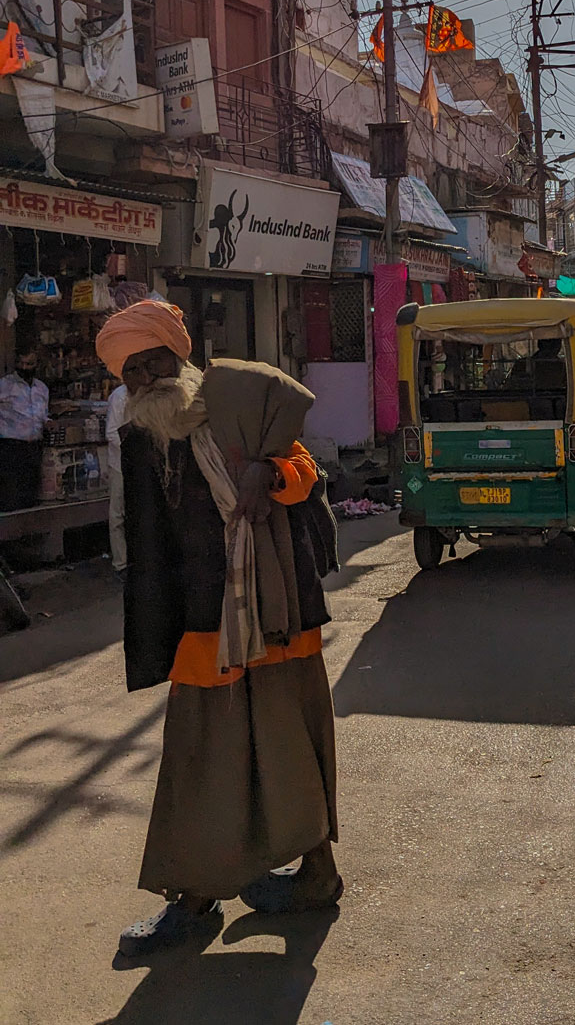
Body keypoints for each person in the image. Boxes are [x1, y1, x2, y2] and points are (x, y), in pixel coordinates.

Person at [94, 301, 341, 958]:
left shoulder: (239, 401)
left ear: (181, 354)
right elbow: (148, 550)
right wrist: (155, 640)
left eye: (153, 360)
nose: (146, 376)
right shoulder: (142, 440)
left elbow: (309, 479)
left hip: (280, 613)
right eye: (130, 371)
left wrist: (273, 472)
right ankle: (198, 898)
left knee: (290, 749)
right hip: (204, 629)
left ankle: (314, 875)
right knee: (201, 760)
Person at [0, 348, 49, 511]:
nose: (25, 367)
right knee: (11, 497)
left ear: (36, 365)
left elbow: (42, 415)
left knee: (31, 495)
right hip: (11, 447)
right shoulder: (5, 385)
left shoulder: (41, 388)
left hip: (34, 446)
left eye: (29, 364)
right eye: (21, 363)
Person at [105, 382, 129, 580]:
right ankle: (120, 563)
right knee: (118, 514)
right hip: (120, 464)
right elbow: (112, 433)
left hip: (141, 463)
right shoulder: (119, 396)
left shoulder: (149, 394)